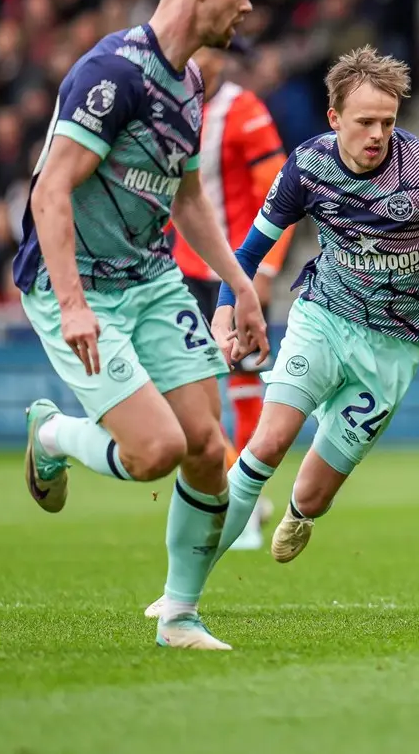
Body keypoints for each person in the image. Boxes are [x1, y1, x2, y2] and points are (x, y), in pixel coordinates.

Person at [12, 0, 270, 650]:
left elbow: (186, 199)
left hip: (151, 278)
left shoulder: (188, 82)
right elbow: (49, 192)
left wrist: (237, 282)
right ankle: (53, 434)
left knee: (205, 444)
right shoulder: (111, 73)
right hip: (83, 285)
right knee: (154, 449)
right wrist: (71, 305)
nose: (247, 7)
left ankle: (180, 618)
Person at [187, 45, 419, 568]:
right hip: (323, 318)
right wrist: (226, 306)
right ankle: (185, 585)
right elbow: (251, 248)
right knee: (266, 444)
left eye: (388, 121)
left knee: (313, 495)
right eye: (364, 121)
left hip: (393, 346)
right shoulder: (308, 165)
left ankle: (299, 512)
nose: (378, 134)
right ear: (334, 118)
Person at [171, 41, 293, 551]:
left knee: (243, 381)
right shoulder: (169, 104)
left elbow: (278, 190)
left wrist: (264, 268)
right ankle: (232, 481)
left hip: (235, 271)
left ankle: (242, 500)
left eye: (213, 51)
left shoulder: (244, 111)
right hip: (177, 269)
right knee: (176, 388)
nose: (204, 61)